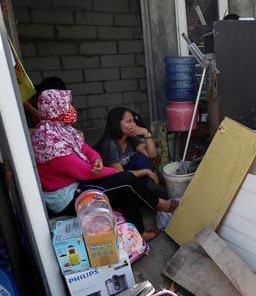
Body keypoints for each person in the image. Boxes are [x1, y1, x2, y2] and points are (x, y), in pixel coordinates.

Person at [31, 89, 176, 241]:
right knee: (126, 180)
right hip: (66, 197)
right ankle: (159, 205)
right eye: (68, 105)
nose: (73, 109)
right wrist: (115, 173)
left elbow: (86, 149)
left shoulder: (62, 130)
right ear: (56, 108)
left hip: (78, 183)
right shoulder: (49, 140)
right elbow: (84, 172)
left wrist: (96, 159)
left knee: (126, 186)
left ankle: (140, 233)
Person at [95, 107, 159, 185]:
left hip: (125, 173)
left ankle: (144, 190)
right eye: (129, 121)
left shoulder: (131, 137)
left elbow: (152, 155)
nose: (134, 125)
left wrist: (146, 133)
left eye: (133, 121)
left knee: (143, 159)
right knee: (141, 167)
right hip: (112, 180)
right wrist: (146, 172)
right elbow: (121, 174)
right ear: (117, 123)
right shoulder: (110, 144)